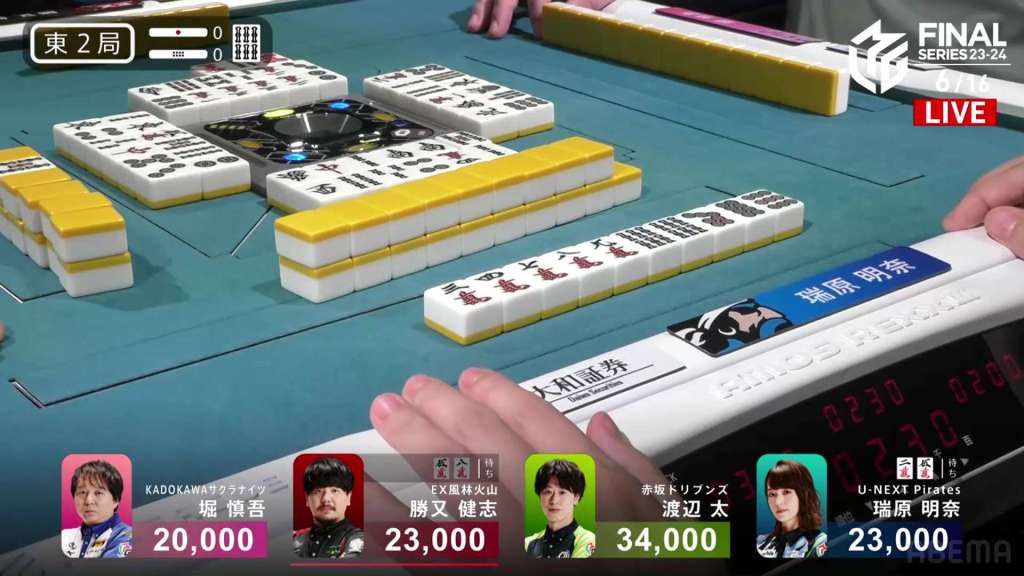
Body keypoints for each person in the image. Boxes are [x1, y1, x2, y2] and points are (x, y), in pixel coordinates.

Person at [293, 457, 365, 559]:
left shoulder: (359, 540)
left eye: (334, 490)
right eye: (318, 491)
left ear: (348, 497)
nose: (326, 499)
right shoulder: (294, 538)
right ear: (307, 499)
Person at [756, 459, 827, 559]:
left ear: (803, 494)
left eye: (786, 492)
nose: (778, 502)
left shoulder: (819, 542)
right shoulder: (760, 543)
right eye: (772, 494)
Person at [60, 460, 133, 559]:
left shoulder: (126, 536)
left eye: (98, 493)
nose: (89, 501)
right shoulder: (64, 536)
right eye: (82, 492)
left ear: (116, 500)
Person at [525, 459, 596, 558]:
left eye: (562, 492)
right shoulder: (528, 543)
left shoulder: (588, 540)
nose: (554, 500)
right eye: (548, 491)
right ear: (540, 497)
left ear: (576, 498)